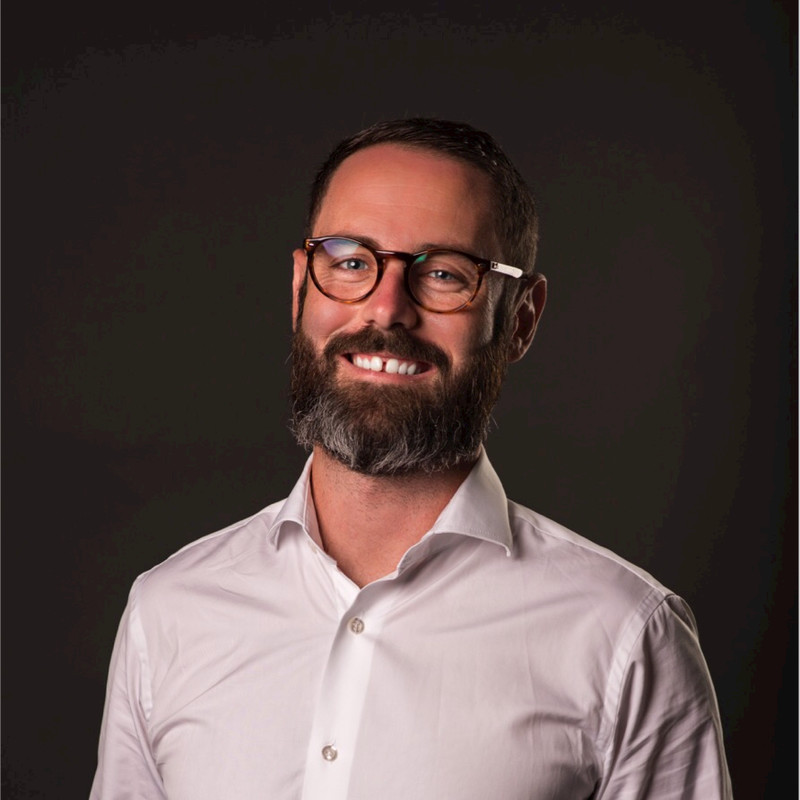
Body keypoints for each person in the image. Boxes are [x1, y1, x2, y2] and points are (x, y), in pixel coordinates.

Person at [90, 118, 732, 799]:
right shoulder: (169, 612)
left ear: (520, 319)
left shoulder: (626, 638)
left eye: (445, 274)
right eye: (350, 262)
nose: (386, 309)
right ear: (301, 286)